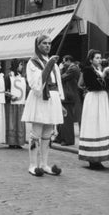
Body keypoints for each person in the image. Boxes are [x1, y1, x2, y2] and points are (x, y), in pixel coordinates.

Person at [22, 35, 64, 177]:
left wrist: (60, 102)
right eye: (44, 43)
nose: (47, 46)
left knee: (47, 134)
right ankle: (33, 165)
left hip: (52, 98)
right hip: (40, 99)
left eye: (49, 43)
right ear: (38, 45)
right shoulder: (32, 62)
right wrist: (48, 66)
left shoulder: (53, 63)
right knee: (36, 133)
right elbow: (35, 84)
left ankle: (44, 164)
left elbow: (57, 83)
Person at [78, 49, 109, 169]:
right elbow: (94, 85)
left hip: (101, 99)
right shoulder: (88, 70)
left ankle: (99, 156)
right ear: (91, 59)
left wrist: (107, 76)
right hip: (93, 98)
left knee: (101, 125)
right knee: (93, 125)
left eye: (100, 57)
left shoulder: (100, 70)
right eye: (96, 58)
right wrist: (104, 76)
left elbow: (107, 86)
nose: (99, 60)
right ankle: (92, 159)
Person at [56, 55, 81, 146]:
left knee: (67, 120)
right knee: (63, 119)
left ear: (69, 61)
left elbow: (60, 78)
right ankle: (60, 137)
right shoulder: (71, 68)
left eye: (64, 62)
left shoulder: (73, 68)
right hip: (67, 96)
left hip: (69, 97)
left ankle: (68, 140)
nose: (63, 64)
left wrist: (60, 69)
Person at [4, 59, 27, 149]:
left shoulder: (21, 77)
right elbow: (5, 90)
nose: (22, 66)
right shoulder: (8, 77)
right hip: (12, 103)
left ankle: (19, 141)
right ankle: (12, 142)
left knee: (20, 122)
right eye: (21, 65)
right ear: (16, 65)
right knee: (12, 122)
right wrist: (10, 96)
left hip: (20, 103)